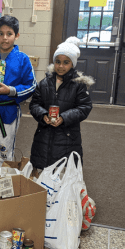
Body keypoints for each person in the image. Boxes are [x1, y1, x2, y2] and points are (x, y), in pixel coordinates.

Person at [0, 15, 37, 180]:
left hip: (8, 111)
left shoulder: (22, 59)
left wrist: (10, 90)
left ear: (16, 35)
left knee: (4, 152)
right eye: (0, 33)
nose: (4, 38)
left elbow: (31, 85)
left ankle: (2, 188)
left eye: (9, 34)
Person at [29, 37, 94, 176]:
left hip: (68, 136)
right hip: (44, 135)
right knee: (43, 169)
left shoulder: (78, 85)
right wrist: (42, 114)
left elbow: (84, 107)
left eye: (66, 62)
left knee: (64, 171)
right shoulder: (44, 83)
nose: (60, 66)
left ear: (73, 64)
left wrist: (64, 117)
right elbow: (34, 104)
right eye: (57, 62)